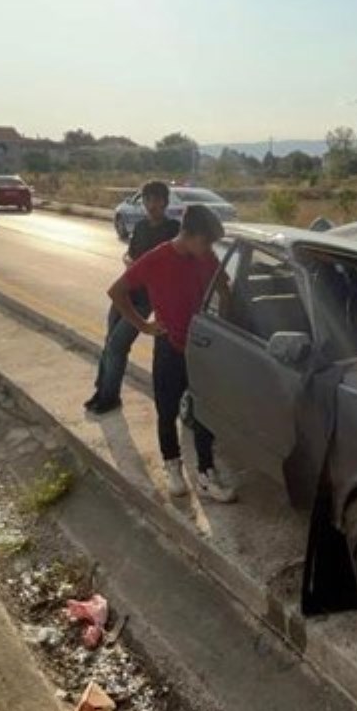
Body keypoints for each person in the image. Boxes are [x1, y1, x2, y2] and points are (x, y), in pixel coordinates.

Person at [107, 205, 236, 503]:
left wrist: (219, 325)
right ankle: (172, 466)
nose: (209, 250)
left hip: (200, 347)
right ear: (189, 235)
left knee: (204, 411)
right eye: (206, 243)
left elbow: (225, 290)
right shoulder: (157, 258)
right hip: (168, 347)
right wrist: (144, 325)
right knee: (166, 411)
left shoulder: (206, 257)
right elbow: (116, 291)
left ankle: (206, 474)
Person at [84, 180, 179, 414]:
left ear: (165, 202)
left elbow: (172, 265)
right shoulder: (142, 227)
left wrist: (143, 269)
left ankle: (110, 397)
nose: (151, 204)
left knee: (118, 345)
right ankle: (102, 390)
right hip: (126, 292)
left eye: (156, 199)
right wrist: (130, 263)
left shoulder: (173, 230)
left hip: (146, 298)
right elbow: (130, 255)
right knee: (110, 342)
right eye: (147, 199)